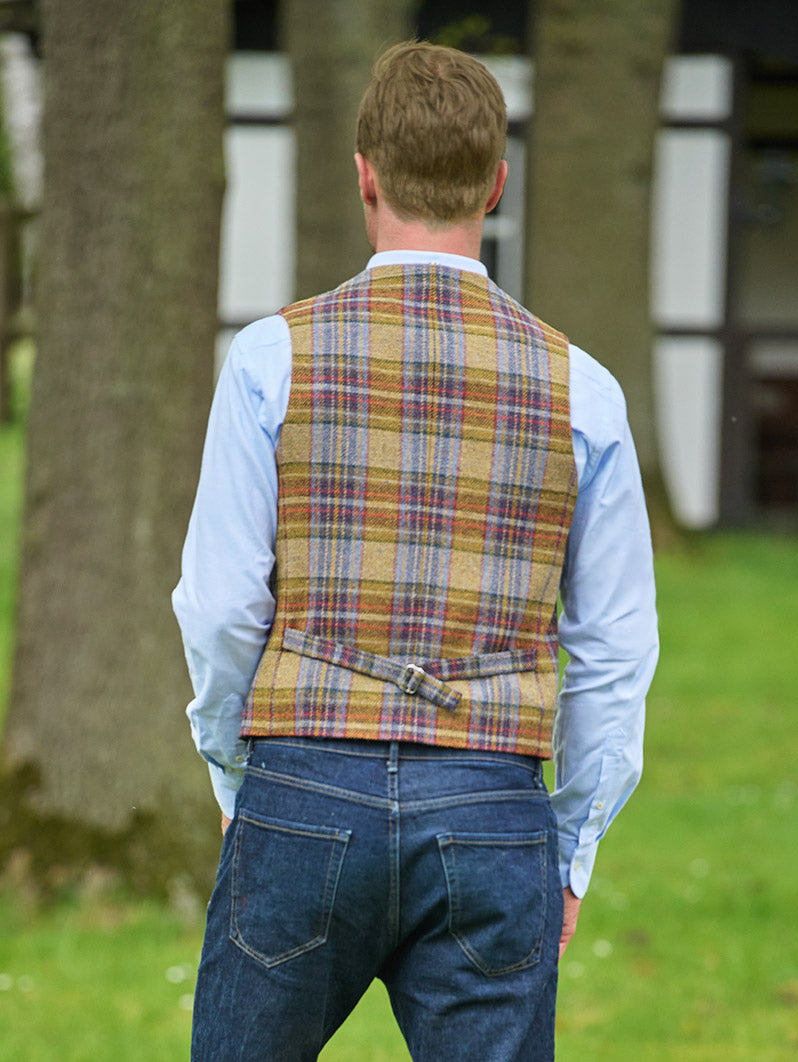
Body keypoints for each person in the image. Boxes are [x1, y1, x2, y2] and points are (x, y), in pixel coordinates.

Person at [173, 40, 658, 1062]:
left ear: (363, 171)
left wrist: (238, 776)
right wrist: (570, 848)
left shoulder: (274, 359)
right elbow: (613, 652)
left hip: (303, 786)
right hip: (490, 807)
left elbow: (220, 607)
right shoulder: (585, 391)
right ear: (497, 183)